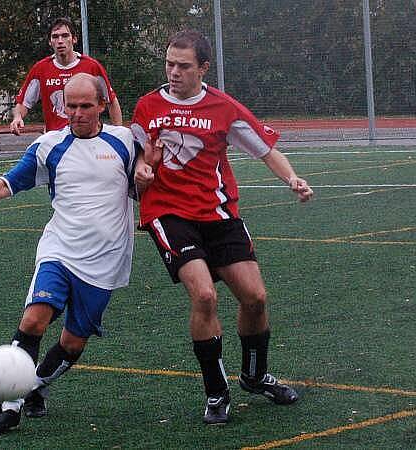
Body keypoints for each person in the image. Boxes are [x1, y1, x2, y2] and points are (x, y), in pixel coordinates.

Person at [131, 30, 313, 425]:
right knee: (205, 295)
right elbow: (139, 163)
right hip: (169, 213)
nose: (174, 72)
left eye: (184, 66)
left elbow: (266, 150)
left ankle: (254, 375)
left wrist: (293, 179)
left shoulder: (223, 107)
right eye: (169, 64)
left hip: (218, 214)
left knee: (256, 298)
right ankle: (216, 391)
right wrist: (142, 173)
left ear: (204, 68)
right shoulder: (147, 107)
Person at [0, 73, 136, 437]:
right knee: (35, 320)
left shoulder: (125, 142)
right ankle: (10, 407)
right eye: (71, 105)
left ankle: (34, 385)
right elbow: (10, 181)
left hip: (105, 260)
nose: (78, 113)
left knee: (72, 343)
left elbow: (144, 186)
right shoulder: (48, 145)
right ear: (62, 106)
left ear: (102, 105)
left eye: (86, 106)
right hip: (59, 250)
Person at [10, 17, 123, 135]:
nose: (60, 41)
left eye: (65, 36)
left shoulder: (91, 66)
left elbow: (111, 100)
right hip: (56, 140)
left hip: (87, 138)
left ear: (74, 39)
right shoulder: (41, 69)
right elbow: (23, 102)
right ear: (50, 42)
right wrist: (17, 117)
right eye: (55, 36)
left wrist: (119, 135)